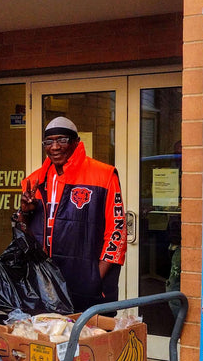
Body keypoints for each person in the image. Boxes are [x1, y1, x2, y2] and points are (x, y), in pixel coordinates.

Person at [18, 117, 126, 312]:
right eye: (49, 142)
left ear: (76, 142)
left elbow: (117, 232)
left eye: (62, 140)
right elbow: (23, 235)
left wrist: (95, 277)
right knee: (51, 338)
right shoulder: (34, 181)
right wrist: (24, 214)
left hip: (87, 286)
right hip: (46, 286)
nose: (55, 147)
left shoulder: (104, 175)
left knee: (90, 340)